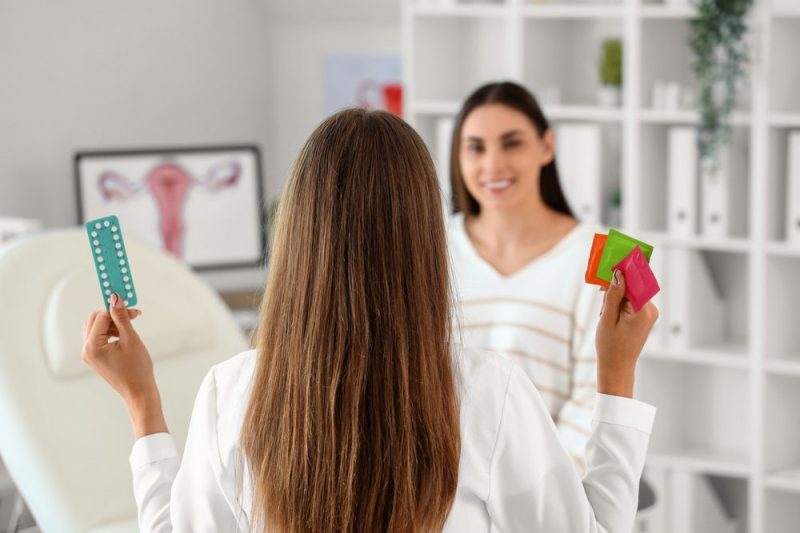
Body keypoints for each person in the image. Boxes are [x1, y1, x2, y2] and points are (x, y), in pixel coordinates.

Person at [81, 108, 658, 532]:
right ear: (427, 244)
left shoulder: (230, 391)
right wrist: (618, 375)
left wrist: (142, 403)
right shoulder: (491, 394)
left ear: (296, 241)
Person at [447, 81, 604, 472]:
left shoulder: (596, 255)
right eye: (476, 147)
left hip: (548, 493)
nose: (493, 165)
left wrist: (537, 493)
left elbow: (594, 396)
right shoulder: (429, 248)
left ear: (546, 147)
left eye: (512, 143)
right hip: (443, 489)